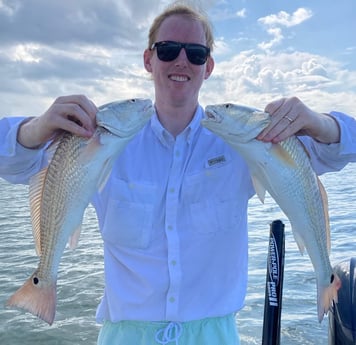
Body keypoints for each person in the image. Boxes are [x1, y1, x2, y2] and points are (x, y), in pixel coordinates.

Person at [1, 2, 356, 344]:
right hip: (125, 336)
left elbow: (337, 152)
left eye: (195, 53)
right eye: (168, 49)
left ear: (209, 66)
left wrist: (319, 123)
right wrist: (35, 129)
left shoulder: (240, 142)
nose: (181, 61)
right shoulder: (103, 142)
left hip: (215, 336)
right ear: (148, 59)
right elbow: (17, 164)